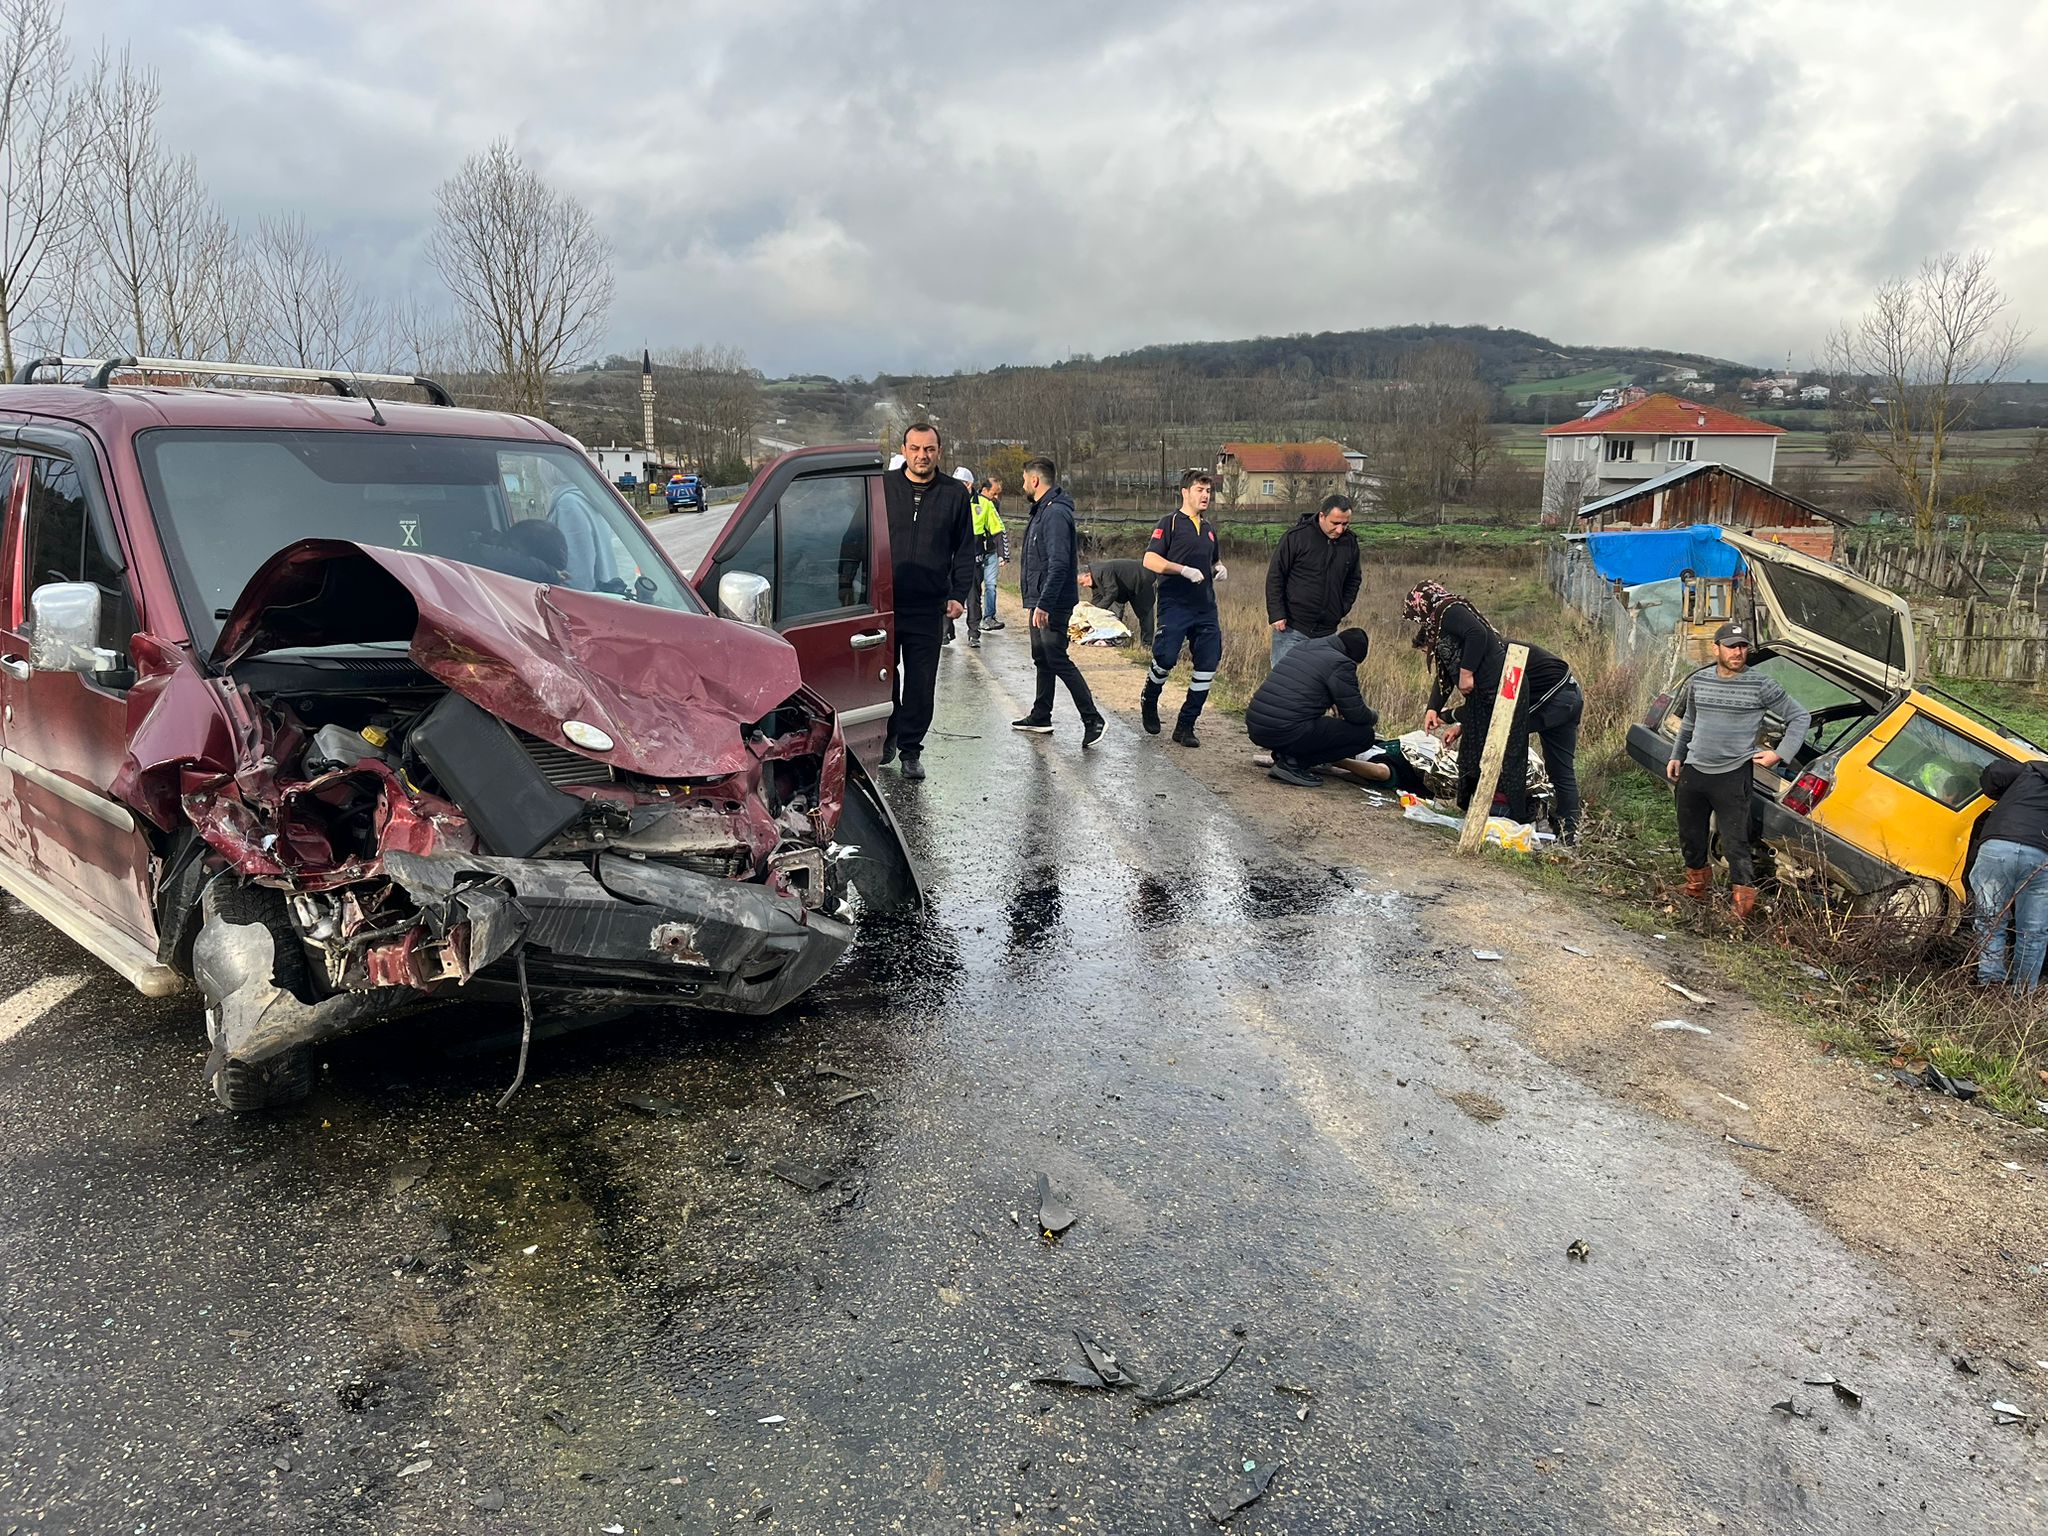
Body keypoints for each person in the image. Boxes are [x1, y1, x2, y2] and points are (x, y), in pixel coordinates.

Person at [1403, 581, 1581, 838]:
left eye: (1429, 651)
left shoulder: (1488, 659)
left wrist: (1449, 716)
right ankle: (1566, 833)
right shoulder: (1486, 655)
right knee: (1559, 769)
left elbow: (1498, 710)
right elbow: (1489, 705)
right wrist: (1453, 720)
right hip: (1566, 694)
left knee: (1502, 740)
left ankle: (1510, 812)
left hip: (1555, 697)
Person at [1664, 619, 1810, 922]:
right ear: (1716, 648)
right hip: (1694, 770)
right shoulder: (1699, 681)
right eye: (1731, 646)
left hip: (1733, 775)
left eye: (1743, 646)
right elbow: (1690, 721)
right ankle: (1696, 888)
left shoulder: (1761, 685)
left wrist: (1779, 754)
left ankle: (1742, 905)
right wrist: (1677, 755)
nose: (1738, 652)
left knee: (1735, 842)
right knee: (1690, 834)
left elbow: (1799, 716)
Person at [881, 422, 975, 782]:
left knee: (921, 682)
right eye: (916, 448)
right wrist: (848, 587)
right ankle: (888, 735)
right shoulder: (884, 488)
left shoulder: (954, 494)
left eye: (929, 449)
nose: (922, 455)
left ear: (939, 452)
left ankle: (911, 750)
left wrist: (958, 594)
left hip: (928, 606)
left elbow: (964, 549)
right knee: (884, 677)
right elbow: (859, 537)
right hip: (885, 604)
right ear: (904, 450)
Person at [1009, 458, 1105, 747]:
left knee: (1056, 658)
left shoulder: (1054, 514)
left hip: (1052, 603)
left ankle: (1093, 719)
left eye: (1024, 479)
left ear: (1035, 480)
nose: (1023, 485)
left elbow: (1060, 563)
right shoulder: (1043, 511)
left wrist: (1045, 604)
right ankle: (1041, 715)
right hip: (1040, 599)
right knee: (1042, 657)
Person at [1141, 468, 1228, 747]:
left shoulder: (1209, 529)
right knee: (1166, 658)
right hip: (1175, 603)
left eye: (1208, 491)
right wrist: (1182, 570)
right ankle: (1149, 697)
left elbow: (1214, 560)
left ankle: (1186, 725)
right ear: (1185, 492)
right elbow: (1150, 560)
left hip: (1205, 607)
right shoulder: (1170, 523)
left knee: (1208, 663)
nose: (1205, 496)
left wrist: (1219, 567)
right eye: (1200, 490)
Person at [1245, 628, 1392, 788]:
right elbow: (1357, 714)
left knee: (1307, 720)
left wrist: (1333, 701)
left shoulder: (1307, 646)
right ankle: (1293, 764)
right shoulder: (1342, 663)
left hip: (1257, 725)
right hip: (1285, 730)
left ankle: (1285, 755)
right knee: (1364, 735)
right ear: (1354, 657)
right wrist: (1374, 716)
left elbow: (1305, 688)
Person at [1969, 758, 2048, 990]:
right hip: (2042, 856)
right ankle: (2022, 994)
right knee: (2033, 931)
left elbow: (1995, 772)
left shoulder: (2032, 770)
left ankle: (1991, 983)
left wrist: (2003, 795)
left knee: (1990, 919)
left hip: (1998, 844)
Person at [1265, 494, 1361, 667]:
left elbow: (1353, 580)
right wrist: (1277, 613)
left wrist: (1341, 608)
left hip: (1327, 632)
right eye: (1335, 523)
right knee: (1286, 681)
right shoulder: (1296, 537)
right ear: (1322, 516)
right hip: (1292, 628)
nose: (1340, 530)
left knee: (1319, 682)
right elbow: (1276, 575)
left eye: (1345, 524)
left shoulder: (1350, 543)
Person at [1078, 558, 1157, 644]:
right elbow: (1097, 597)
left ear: (1087, 575)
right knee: (1114, 615)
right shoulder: (1095, 577)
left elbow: (1112, 592)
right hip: (1122, 588)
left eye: (1082, 583)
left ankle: (1146, 644)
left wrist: (1098, 610)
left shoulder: (1103, 571)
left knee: (1145, 615)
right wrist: (1091, 612)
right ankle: (1115, 640)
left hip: (1142, 581)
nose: (1084, 586)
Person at [972, 476, 1010, 638]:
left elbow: (999, 529)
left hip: (991, 551)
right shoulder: (973, 503)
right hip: (976, 551)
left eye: (998, 494)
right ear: (985, 490)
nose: (996, 497)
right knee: (974, 588)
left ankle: (989, 617)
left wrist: (1003, 554)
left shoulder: (994, 504)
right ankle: (974, 620)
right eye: (994, 494)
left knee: (991, 585)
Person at [945, 466, 978, 645]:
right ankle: (945, 631)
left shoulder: (982, 504)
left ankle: (973, 632)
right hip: (948, 556)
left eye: (960, 484)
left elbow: (997, 530)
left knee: (972, 597)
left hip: (972, 557)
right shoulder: (948, 501)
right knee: (945, 592)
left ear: (969, 485)